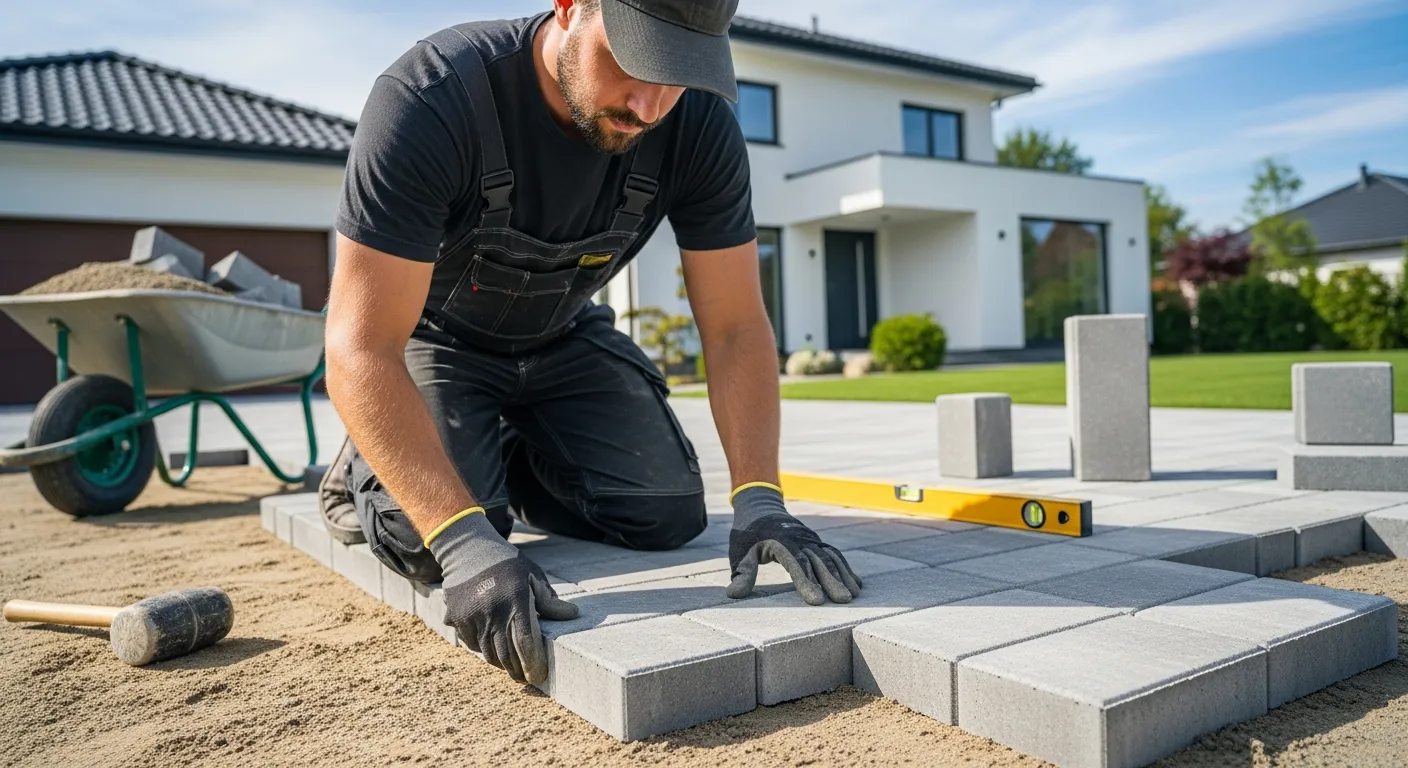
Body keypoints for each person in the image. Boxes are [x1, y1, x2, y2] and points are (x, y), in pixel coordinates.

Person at [319, 0, 861, 686]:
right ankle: (369, 461)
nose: (650, 104)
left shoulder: (696, 128)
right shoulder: (431, 98)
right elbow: (360, 347)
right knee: (435, 540)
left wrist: (759, 498)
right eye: (634, 61)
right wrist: (462, 540)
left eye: (680, 74)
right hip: (435, 343)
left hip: (562, 338)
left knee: (666, 513)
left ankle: (496, 451)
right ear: (570, 6)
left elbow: (735, 327)